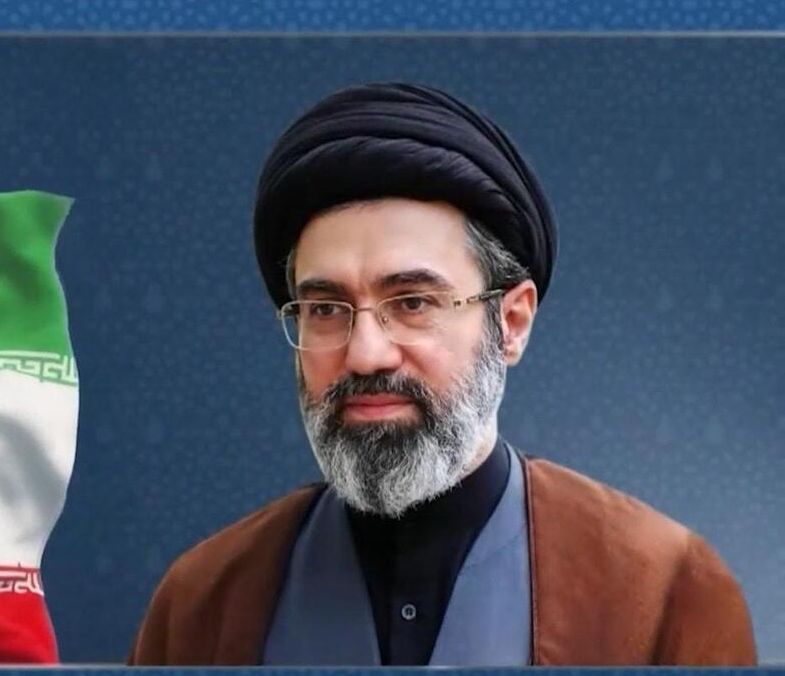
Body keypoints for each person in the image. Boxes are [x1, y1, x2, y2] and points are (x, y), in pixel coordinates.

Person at [126, 83, 756, 666]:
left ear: (511, 322)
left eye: (412, 302)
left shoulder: (665, 590)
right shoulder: (201, 603)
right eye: (326, 309)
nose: (365, 354)